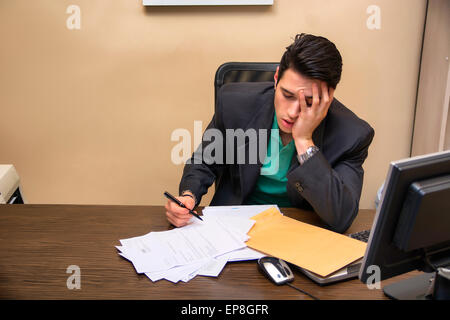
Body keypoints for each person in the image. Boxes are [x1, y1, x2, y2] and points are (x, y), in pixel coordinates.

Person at [165, 33, 374, 233]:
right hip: (236, 228)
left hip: (300, 232)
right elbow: (205, 161)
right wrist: (188, 195)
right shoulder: (235, 104)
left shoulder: (352, 135)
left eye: (308, 102)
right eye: (287, 95)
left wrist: (304, 140)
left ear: (328, 97)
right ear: (276, 79)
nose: (292, 113)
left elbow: (341, 217)